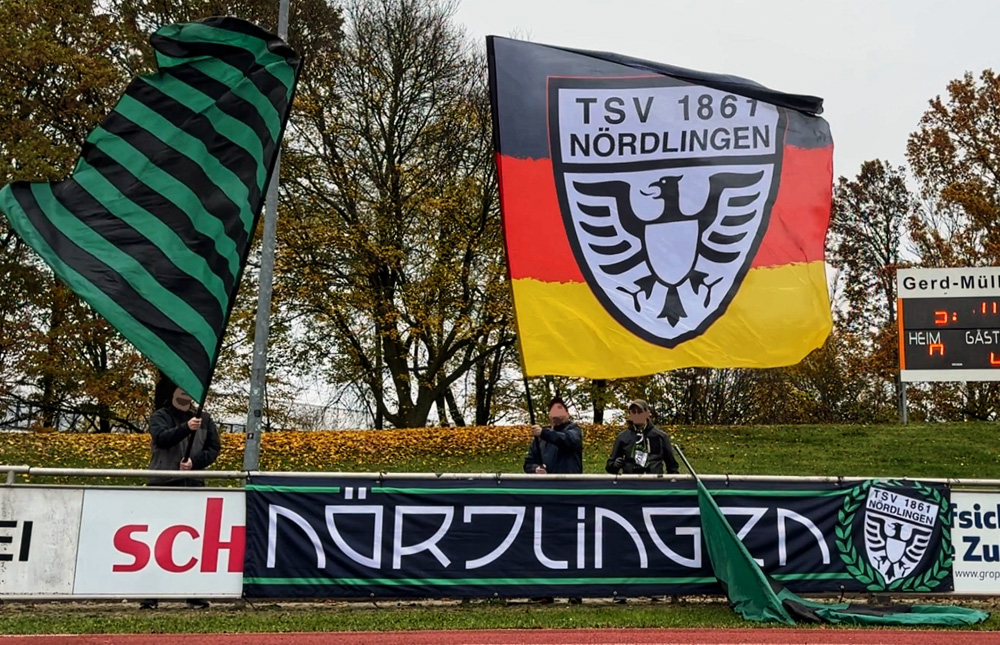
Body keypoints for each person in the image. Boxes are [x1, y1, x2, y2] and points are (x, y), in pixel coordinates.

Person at [140, 380, 221, 610]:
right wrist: (186, 427)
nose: (185, 395)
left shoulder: (205, 419)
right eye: (181, 390)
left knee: (192, 541)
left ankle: (192, 592)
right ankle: (150, 593)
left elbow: (214, 448)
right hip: (163, 485)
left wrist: (195, 462)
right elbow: (162, 438)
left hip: (193, 485)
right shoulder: (160, 416)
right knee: (156, 540)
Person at [605, 399, 679, 476]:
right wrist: (615, 465)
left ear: (647, 413)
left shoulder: (661, 436)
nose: (637, 415)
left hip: (654, 481)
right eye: (633, 412)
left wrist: (672, 481)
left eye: (640, 412)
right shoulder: (623, 437)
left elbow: (672, 466)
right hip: (630, 481)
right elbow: (609, 467)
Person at [523, 396, 583, 475]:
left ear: (567, 414)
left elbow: (566, 440)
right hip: (546, 481)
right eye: (553, 410)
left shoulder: (574, 430)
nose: (556, 412)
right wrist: (535, 469)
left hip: (569, 481)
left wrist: (544, 433)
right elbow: (528, 463)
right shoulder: (540, 438)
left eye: (559, 408)